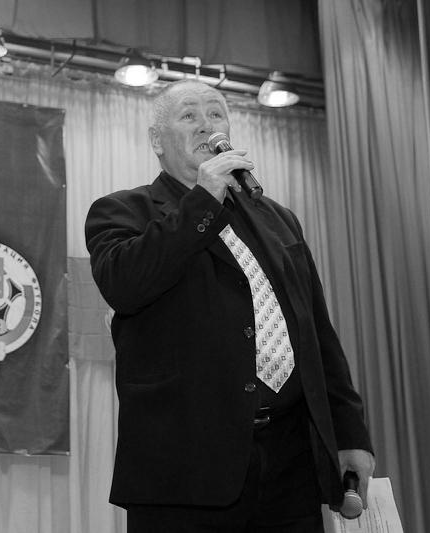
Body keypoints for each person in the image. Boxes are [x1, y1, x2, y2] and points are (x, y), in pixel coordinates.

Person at [84, 80, 375, 532]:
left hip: (291, 463)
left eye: (216, 113)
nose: (206, 125)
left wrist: (349, 433)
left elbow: (317, 332)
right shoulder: (122, 211)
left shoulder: (278, 219)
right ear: (157, 140)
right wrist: (202, 199)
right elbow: (125, 285)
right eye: (189, 115)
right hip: (186, 471)